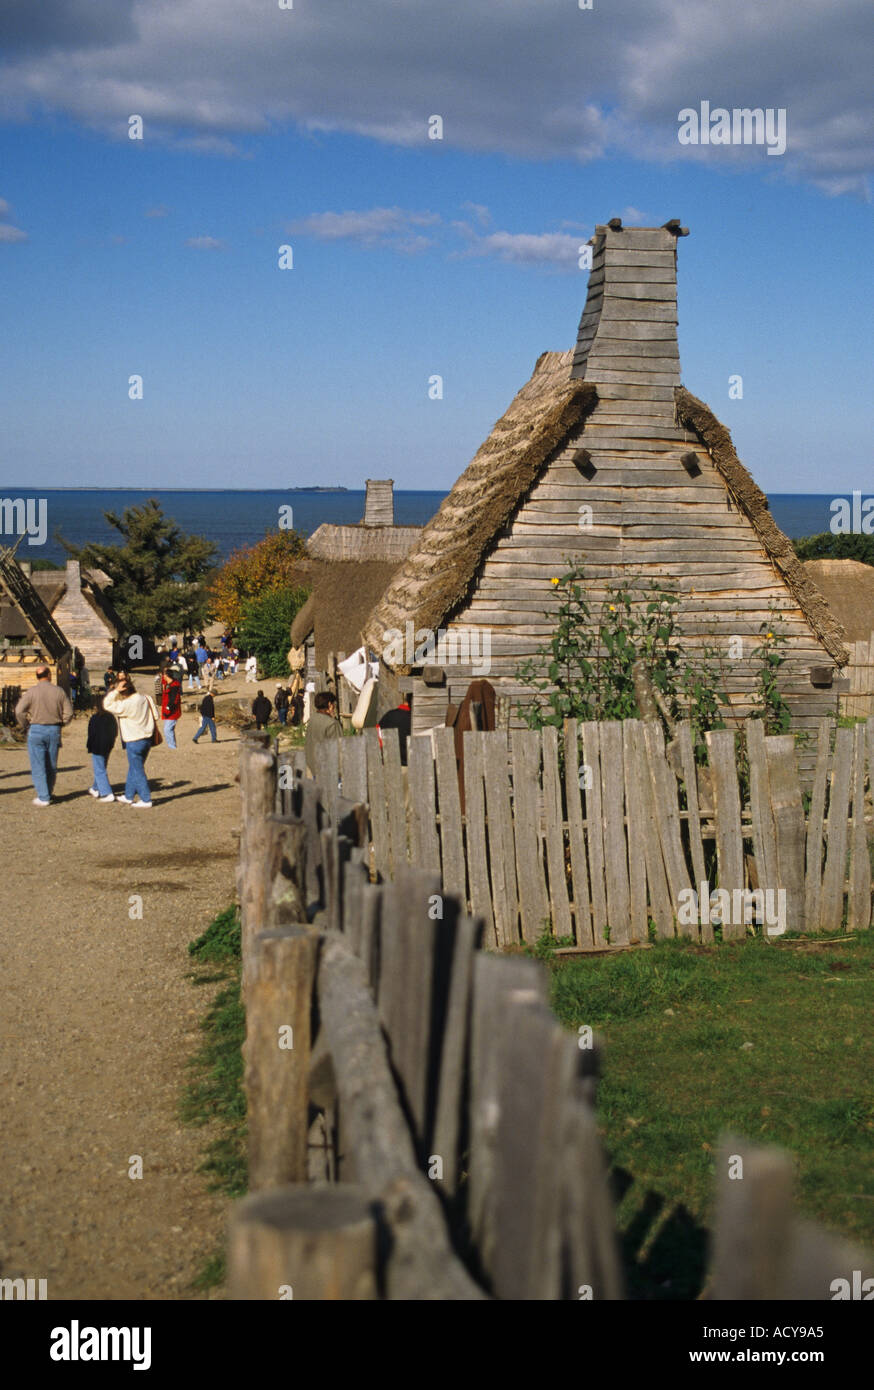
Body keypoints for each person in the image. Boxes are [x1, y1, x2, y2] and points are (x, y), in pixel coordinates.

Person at [15, 665, 74, 806]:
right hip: (54, 729)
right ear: (48, 675)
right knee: (51, 764)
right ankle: (48, 791)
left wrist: (26, 725)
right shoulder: (58, 691)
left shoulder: (31, 692)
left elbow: (18, 711)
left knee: (38, 765)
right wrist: (62, 723)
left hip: (36, 728)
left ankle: (43, 796)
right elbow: (69, 713)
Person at [104, 672, 160, 808]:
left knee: (137, 769)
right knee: (135, 768)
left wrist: (115, 691)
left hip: (134, 739)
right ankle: (128, 795)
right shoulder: (145, 698)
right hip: (147, 738)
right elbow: (156, 716)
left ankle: (146, 799)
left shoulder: (127, 704)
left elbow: (107, 704)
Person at [86, 693, 118, 801]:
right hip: (108, 746)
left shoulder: (95, 718)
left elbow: (91, 734)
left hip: (97, 747)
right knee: (101, 768)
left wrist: (90, 746)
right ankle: (95, 788)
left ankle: (107, 793)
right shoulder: (111, 717)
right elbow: (115, 732)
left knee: (99, 770)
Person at [305, 690, 340, 775]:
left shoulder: (312, 719)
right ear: (329, 705)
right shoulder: (331, 723)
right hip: (328, 771)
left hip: (313, 766)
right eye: (334, 705)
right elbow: (338, 749)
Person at [378, 699, 412, 766]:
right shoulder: (413, 718)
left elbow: (378, 737)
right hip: (412, 762)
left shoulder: (389, 715)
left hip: (391, 761)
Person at [160, 666, 183, 749]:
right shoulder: (167, 684)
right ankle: (171, 746)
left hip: (172, 711)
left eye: (163, 675)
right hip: (167, 710)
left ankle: (172, 746)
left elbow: (174, 699)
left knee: (167, 729)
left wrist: (168, 708)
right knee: (168, 729)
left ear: (166, 675)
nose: (163, 677)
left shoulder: (174, 686)